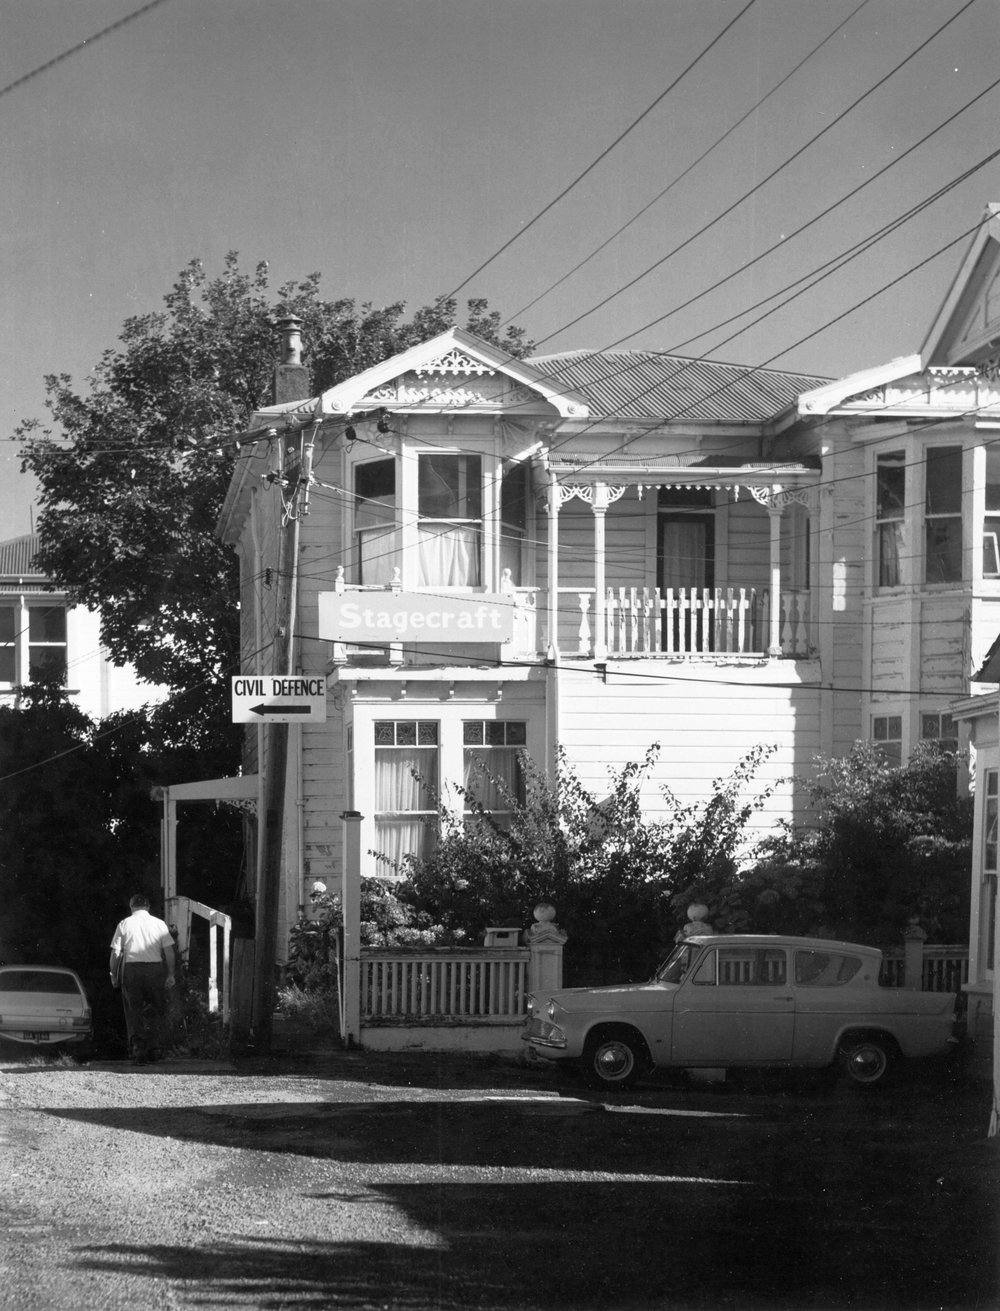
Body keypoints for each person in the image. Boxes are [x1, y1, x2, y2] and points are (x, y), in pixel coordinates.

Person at [109, 894, 176, 1064]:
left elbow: (116, 953)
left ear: (132, 907)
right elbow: (169, 951)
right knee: (156, 1008)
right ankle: (155, 1048)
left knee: (134, 1011)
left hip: (132, 970)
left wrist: (113, 974)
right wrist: (171, 974)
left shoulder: (124, 924)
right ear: (148, 907)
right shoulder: (159, 924)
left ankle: (139, 1049)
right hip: (155, 969)